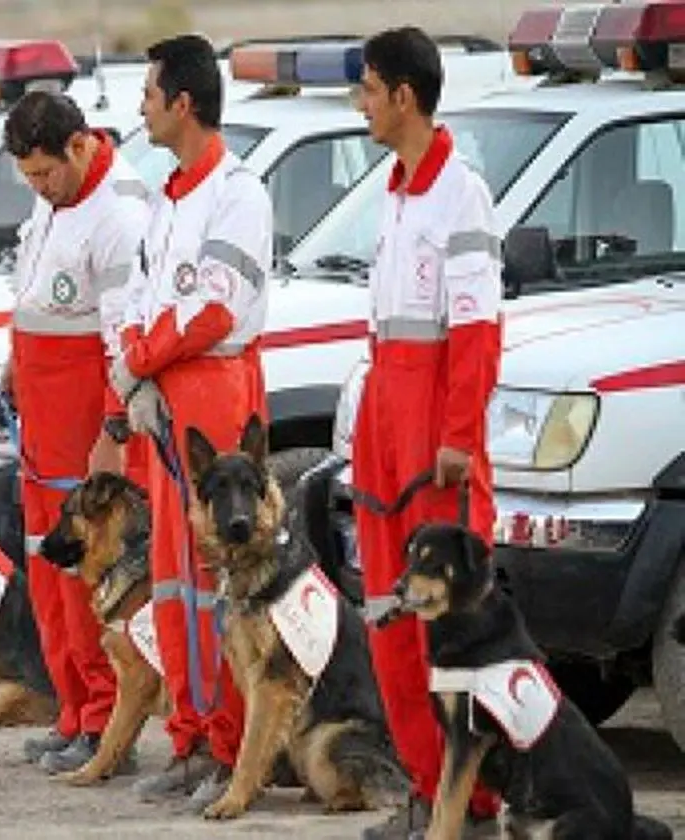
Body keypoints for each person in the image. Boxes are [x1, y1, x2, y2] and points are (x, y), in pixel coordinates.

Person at [109, 34, 271, 812]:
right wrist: (133, 370)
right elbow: (141, 297)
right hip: (168, 388)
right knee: (174, 576)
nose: (139, 106)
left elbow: (214, 307)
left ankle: (232, 744)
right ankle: (191, 734)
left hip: (212, 388)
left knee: (219, 577)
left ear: (183, 102)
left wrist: (141, 359)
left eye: (148, 93)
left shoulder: (239, 192)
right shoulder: (167, 196)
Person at [352, 26, 503, 838]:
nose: (361, 103)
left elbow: (477, 330)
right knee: (392, 616)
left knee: (450, 630)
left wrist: (457, 435)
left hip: (432, 436)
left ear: (404, 96)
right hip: (386, 425)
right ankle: (425, 790)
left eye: (369, 88)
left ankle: (470, 806)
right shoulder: (396, 188)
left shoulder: (459, 193)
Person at [0, 91, 150, 773]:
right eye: (27, 178)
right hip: (40, 420)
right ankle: (70, 710)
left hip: (82, 423)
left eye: (45, 174)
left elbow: (124, 336)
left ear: (80, 146)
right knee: (45, 574)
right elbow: (36, 291)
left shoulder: (118, 215)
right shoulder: (51, 202)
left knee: (82, 582)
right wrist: (13, 360)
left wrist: (111, 430)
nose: (38, 187)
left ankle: (100, 722)